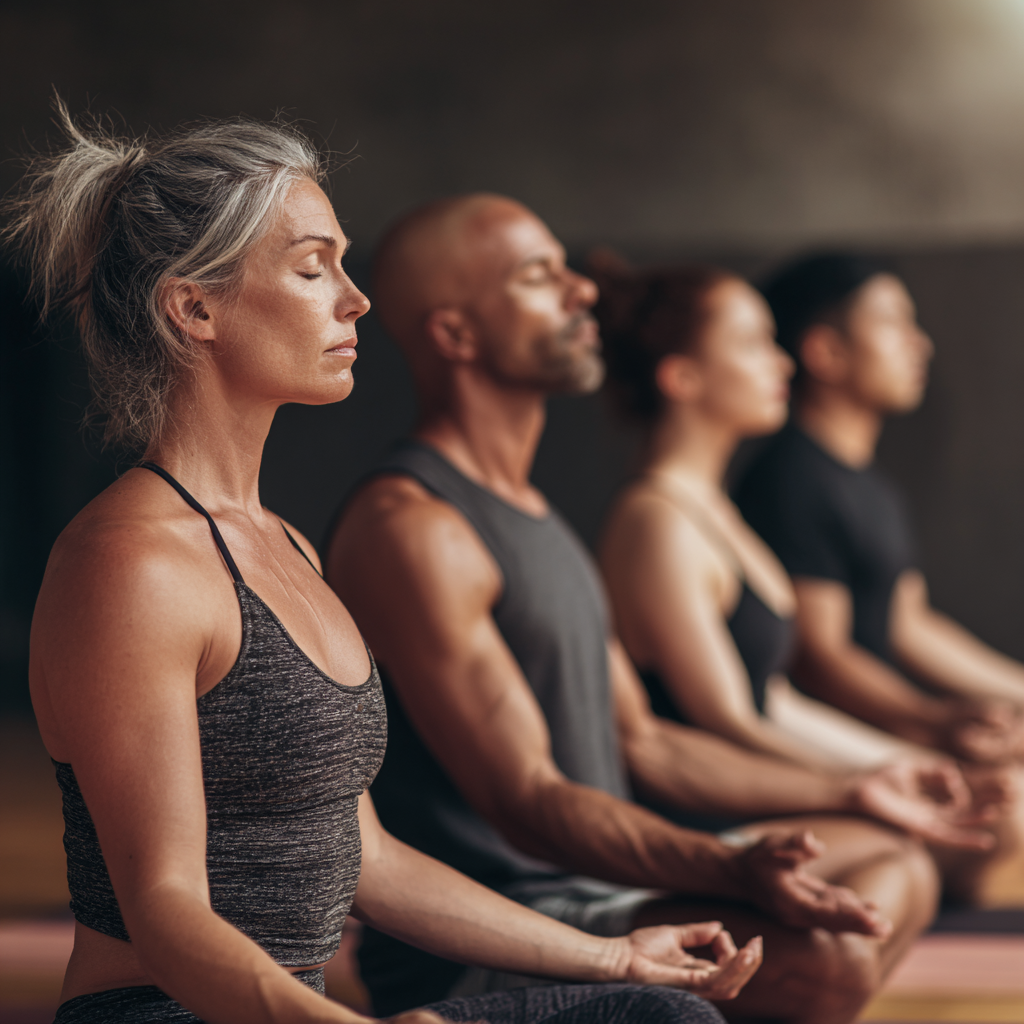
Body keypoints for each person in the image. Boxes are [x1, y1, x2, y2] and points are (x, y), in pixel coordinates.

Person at [9, 109, 756, 1024]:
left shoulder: (287, 546)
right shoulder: (130, 565)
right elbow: (164, 914)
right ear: (194, 307)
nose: (355, 299)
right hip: (157, 1013)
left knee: (661, 1014)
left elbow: (371, 860)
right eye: (313, 268)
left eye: (344, 264)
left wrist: (616, 958)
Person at [326, 194, 995, 1024]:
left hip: (595, 885)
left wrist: (857, 786)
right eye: (538, 276)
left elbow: (645, 741)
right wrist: (727, 868)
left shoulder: (538, 516)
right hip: (501, 930)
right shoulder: (413, 526)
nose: (582, 291)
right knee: (829, 961)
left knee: (900, 865)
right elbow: (528, 800)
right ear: (456, 334)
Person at [595, 258, 926, 771]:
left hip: (775, 783)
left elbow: (774, 703)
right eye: (753, 344)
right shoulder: (656, 523)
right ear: (682, 377)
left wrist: (910, 764)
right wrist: (879, 783)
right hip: (714, 800)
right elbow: (729, 723)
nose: (783, 364)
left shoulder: (711, 506)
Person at [734, 254, 1024, 767]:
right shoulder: (792, 480)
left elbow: (908, 623)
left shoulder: (869, 484)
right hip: (819, 756)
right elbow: (819, 656)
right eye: (893, 323)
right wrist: (933, 722)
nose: (920, 344)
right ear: (826, 351)